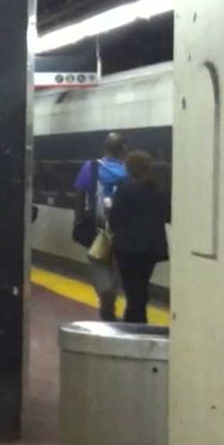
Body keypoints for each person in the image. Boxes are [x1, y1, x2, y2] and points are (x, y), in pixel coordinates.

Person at [72, 132, 129, 320]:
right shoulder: (127, 171)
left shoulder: (90, 167)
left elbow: (79, 195)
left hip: (97, 229)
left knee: (97, 261)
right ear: (122, 150)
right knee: (116, 268)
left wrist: (78, 219)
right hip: (121, 230)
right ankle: (110, 298)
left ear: (104, 148)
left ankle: (106, 298)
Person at [110, 150, 170, 324]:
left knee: (132, 288)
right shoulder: (158, 189)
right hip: (151, 249)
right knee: (141, 285)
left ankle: (135, 322)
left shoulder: (125, 188)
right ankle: (136, 318)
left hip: (128, 248)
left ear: (129, 168)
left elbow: (114, 218)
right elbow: (167, 214)